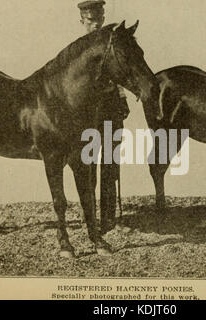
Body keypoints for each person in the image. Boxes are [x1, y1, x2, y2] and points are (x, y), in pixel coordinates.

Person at [78, 0, 130, 234]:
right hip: (87, 114)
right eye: (90, 21)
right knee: (87, 165)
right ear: (82, 21)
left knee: (110, 164)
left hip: (110, 110)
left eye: (99, 19)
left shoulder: (111, 44)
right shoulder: (78, 51)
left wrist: (122, 99)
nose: (96, 24)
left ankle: (109, 217)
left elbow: (118, 74)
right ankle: (88, 214)